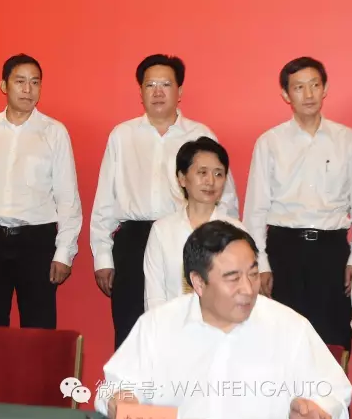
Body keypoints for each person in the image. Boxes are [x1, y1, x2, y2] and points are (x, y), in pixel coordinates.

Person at [95, 221, 352, 419]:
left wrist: (316, 409)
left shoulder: (290, 327)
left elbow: (335, 393)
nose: (247, 289)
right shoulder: (158, 325)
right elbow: (110, 389)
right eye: (233, 278)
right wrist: (117, 399)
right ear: (198, 282)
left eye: (253, 274)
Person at [90, 54, 239, 349]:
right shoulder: (122, 135)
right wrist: (103, 256)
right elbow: (105, 200)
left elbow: (226, 198)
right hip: (134, 241)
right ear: (141, 91)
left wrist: (220, 248)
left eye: (166, 84)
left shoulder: (201, 135)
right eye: (150, 85)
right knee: (132, 332)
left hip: (187, 237)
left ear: (179, 91)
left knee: (193, 326)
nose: (158, 92)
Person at [0, 53, 82, 329]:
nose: (27, 89)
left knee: (39, 331)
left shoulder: (54, 132)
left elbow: (67, 197)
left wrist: (64, 252)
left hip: (37, 241)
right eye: (20, 81)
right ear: (4, 85)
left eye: (35, 82)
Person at [243, 56, 352, 351]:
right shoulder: (270, 142)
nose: (308, 94)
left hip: (332, 251)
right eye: (299, 87)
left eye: (314, 85)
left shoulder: (346, 141)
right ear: (285, 94)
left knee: (332, 340)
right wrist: (261, 264)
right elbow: (255, 211)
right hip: (284, 251)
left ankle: (333, 384)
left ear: (325, 88)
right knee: (283, 341)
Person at [144, 137, 247, 311]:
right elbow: (154, 297)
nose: (211, 181)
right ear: (182, 178)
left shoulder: (237, 231)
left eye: (218, 174)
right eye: (202, 172)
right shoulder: (162, 230)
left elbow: (244, 291)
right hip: (173, 324)